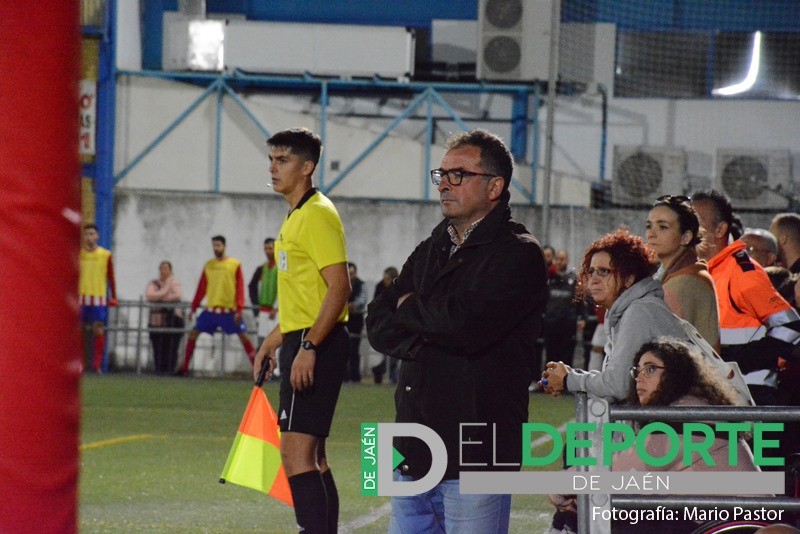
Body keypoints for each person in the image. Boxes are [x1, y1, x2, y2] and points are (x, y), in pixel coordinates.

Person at [366, 129, 548, 533]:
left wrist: (410, 309)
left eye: (459, 174)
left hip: (478, 452)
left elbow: (465, 326)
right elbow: (377, 318)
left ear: (495, 187)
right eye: (442, 174)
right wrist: (429, 327)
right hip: (413, 448)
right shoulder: (433, 245)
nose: (445, 183)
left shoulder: (519, 253)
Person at [549, 338, 758, 534]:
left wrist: (562, 486)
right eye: (637, 371)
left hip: (734, 525)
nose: (639, 377)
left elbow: (622, 467)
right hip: (720, 519)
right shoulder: (691, 408)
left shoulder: (687, 416)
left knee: (592, 516)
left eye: (651, 369)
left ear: (677, 374)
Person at [252, 128, 350, 534]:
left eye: (283, 160)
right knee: (314, 458)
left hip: (317, 343)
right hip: (304, 339)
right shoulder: (296, 214)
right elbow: (305, 297)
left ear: (307, 167)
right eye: (272, 159)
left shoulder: (317, 214)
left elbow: (339, 287)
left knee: (295, 457)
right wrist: (274, 341)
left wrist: (309, 346)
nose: (273, 168)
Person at [542, 230, 692, 403]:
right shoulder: (631, 308)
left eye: (604, 271)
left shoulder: (639, 311)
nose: (594, 280)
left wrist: (569, 380)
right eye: (591, 272)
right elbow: (618, 380)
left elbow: (618, 386)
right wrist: (570, 376)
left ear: (629, 278)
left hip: (677, 425)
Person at [691, 190, 800, 405]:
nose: (688, 229)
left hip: (751, 400)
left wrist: (737, 361)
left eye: (696, 222)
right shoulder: (706, 270)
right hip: (723, 397)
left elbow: (790, 325)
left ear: (720, 229)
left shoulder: (742, 271)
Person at [645, 194, 720, 351]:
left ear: (685, 237)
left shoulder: (684, 283)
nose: (651, 234)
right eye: (649, 226)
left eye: (663, 227)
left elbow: (659, 348)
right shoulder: (686, 274)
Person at [177, 235, 257, 376]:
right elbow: (201, 287)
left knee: (244, 337)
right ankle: (184, 368)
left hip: (229, 311)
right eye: (214, 245)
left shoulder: (234, 264)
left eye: (218, 245)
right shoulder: (209, 265)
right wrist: (194, 307)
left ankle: (258, 369)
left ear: (224, 246)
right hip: (211, 311)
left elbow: (239, 288)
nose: (216, 248)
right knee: (193, 334)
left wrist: (239, 309)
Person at [79, 223, 117, 373]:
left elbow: (111, 277)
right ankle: (80, 363)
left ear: (97, 236)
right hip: (81, 297)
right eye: (87, 234)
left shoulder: (105, 255)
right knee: (79, 331)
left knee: (98, 330)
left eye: (92, 234)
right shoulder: (78, 253)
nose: (89, 237)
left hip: (98, 298)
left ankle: (96, 365)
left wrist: (114, 296)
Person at [542, 249, 584, 368]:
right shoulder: (549, 278)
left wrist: (581, 318)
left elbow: (580, 301)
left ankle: (565, 384)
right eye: (557, 259)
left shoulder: (574, 279)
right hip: (551, 324)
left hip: (567, 325)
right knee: (550, 357)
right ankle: (548, 384)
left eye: (562, 259)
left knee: (566, 357)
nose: (559, 262)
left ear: (567, 260)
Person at [145, 261, 184, 374]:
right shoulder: (154, 283)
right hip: (156, 320)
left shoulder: (174, 282)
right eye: (161, 268)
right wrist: (165, 293)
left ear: (170, 270)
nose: (163, 271)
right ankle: (159, 369)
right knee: (157, 346)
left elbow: (177, 295)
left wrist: (160, 298)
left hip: (173, 319)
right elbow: (149, 295)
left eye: (165, 269)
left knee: (171, 345)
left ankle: (169, 370)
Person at [248, 238, 279, 350]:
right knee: (262, 342)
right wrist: (256, 308)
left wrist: (276, 307)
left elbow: (283, 289)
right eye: (265, 249)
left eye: (270, 248)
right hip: (263, 310)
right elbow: (251, 287)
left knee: (274, 343)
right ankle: (263, 367)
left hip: (275, 312)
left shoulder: (280, 267)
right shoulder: (262, 268)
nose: (267, 251)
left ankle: (276, 368)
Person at [370, 266, 399, 384]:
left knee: (394, 354)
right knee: (388, 353)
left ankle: (382, 373)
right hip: (384, 325)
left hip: (397, 325)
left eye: (387, 279)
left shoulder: (399, 288)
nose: (384, 281)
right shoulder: (380, 287)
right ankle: (384, 373)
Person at [344, 262, 366, 382]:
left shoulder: (361, 285)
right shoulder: (342, 283)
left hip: (356, 322)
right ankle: (344, 377)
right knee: (343, 350)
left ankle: (355, 377)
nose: (350, 276)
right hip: (344, 322)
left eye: (352, 273)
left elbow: (361, 302)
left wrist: (347, 306)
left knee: (354, 350)